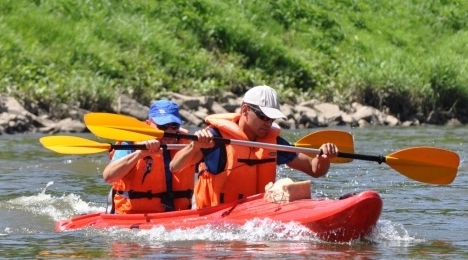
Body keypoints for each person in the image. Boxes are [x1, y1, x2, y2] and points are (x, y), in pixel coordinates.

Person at [170, 85, 339, 208]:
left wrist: (323, 158)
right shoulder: (216, 137)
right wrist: (194, 146)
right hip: (215, 216)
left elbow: (314, 170)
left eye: (271, 119)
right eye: (263, 117)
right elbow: (175, 167)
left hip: (256, 215)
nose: (268, 123)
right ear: (245, 110)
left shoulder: (272, 141)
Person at [103, 99, 194, 214]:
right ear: (149, 124)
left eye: (174, 126)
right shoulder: (131, 143)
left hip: (178, 214)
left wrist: (199, 145)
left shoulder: (187, 144)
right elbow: (108, 177)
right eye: (163, 126)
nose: (170, 131)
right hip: (134, 216)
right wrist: (140, 154)